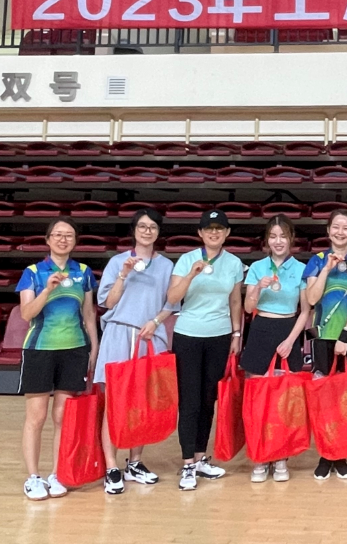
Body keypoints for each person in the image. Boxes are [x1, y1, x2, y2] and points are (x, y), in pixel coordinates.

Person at [17, 218, 100, 500]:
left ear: (75, 241)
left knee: (63, 417)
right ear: (48, 239)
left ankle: (57, 473)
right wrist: (48, 289)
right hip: (40, 350)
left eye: (69, 235)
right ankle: (33, 477)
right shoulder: (33, 272)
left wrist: (93, 351)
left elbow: (88, 315)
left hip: (74, 350)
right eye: (58, 235)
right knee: (37, 416)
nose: (63, 239)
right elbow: (26, 314)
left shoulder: (84, 272)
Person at [94, 208, 176, 495]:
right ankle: (111, 467)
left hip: (151, 336)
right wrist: (123, 275)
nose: (147, 231)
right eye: (142, 226)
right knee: (115, 402)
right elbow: (107, 302)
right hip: (119, 334)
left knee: (142, 402)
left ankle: (135, 462)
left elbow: (172, 303)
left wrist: (155, 322)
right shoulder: (117, 262)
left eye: (152, 227)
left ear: (158, 232)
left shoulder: (166, 266)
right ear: (134, 230)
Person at [166, 209, 244, 491]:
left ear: (227, 233)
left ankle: (200, 457)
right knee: (190, 400)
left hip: (219, 336)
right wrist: (190, 275)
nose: (214, 233)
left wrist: (236, 333)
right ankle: (187, 462)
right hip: (188, 335)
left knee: (208, 399)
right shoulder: (187, 259)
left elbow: (235, 301)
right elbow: (172, 297)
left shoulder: (234, 263)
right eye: (209, 229)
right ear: (200, 233)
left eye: (219, 229)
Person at [303, 208, 347, 481]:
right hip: (321, 337)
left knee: (346, 398)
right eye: (336, 227)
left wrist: (345, 335)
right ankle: (326, 453)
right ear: (328, 230)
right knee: (324, 398)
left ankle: (341, 454)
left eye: (346, 228)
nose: (340, 232)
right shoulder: (317, 261)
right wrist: (326, 270)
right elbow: (311, 299)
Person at [241, 214, 310, 483]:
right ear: (267, 240)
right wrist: (257, 288)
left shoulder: (302, 269)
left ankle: (281, 456)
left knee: (284, 400)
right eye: (273, 236)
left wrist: (291, 340)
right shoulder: (257, 267)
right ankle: (260, 456)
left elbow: (305, 311)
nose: (278, 241)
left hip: (288, 330)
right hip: (261, 330)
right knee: (259, 400)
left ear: (291, 239)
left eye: (283, 236)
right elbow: (248, 307)